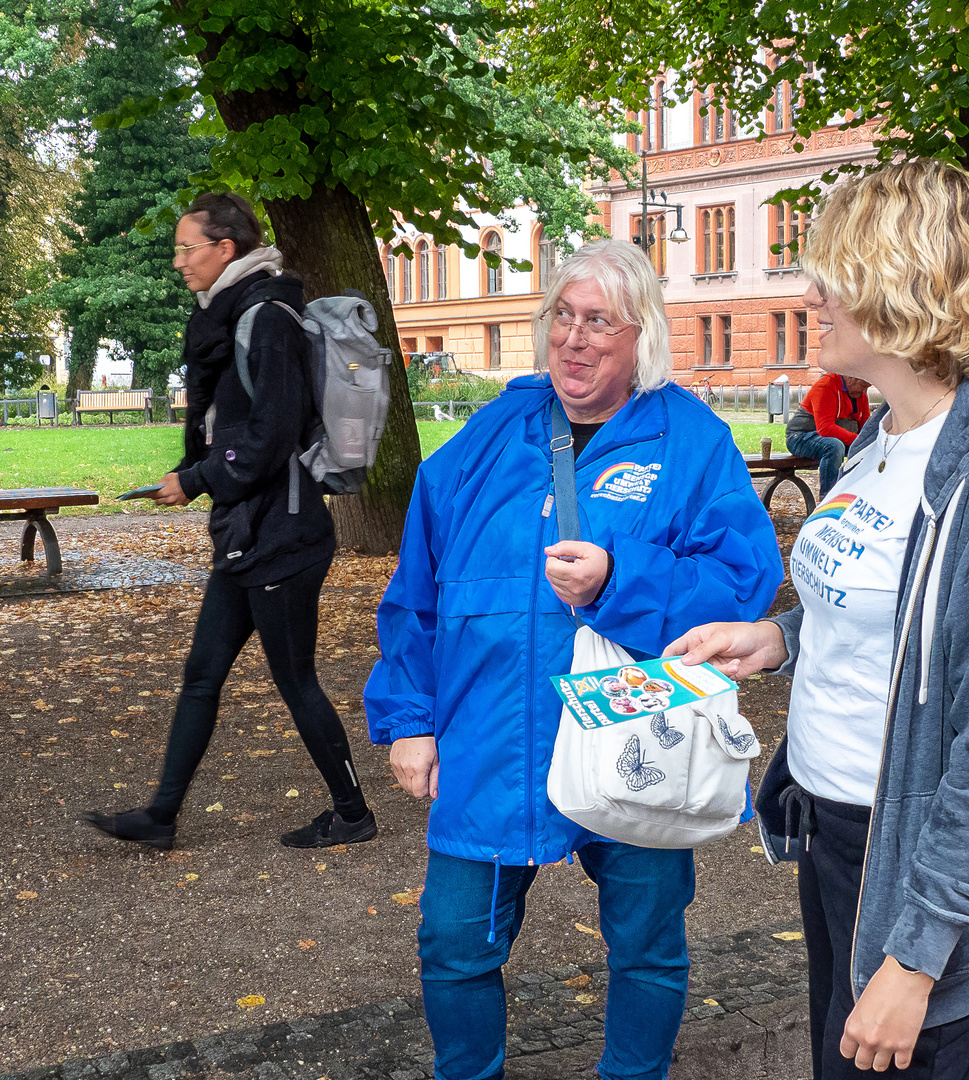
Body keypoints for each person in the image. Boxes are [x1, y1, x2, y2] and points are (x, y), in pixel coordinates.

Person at [667, 161, 969, 1080]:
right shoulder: (874, 442)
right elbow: (883, 614)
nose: (810, 292)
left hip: (915, 871)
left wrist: (915, 958)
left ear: (905, 286)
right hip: (835, 832)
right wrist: (778, 638)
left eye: (833, 272)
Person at [366, 240, 783, 1080]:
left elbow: (743, 583)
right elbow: (417, 587)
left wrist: (621, 577)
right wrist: (410, 720)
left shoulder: (691, 442)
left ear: (640, 338)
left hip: (635, 728)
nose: (575, 337)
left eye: (599, 321)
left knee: (647, 943)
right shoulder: (487, 438)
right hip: (492, 733)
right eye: (563, 315)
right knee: (452, 943)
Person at [84, 193, 374, 851]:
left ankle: (353, 812)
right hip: (247, 533)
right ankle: (161, 816)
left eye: (189, 248)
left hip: (285, 535)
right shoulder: (230, 316)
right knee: (202, 674)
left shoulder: (267, 317)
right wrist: (200, 478)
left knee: (295, 679)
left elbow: (270, 435)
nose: (180, 261)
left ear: (227, 248)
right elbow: (236, 428)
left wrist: (193, 479)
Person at [787, 371, 872, 496]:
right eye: (863, 386)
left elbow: (866, 427)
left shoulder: (860, 395)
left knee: (869, 449)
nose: (865, 391)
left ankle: (861, 495)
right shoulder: (825, 386)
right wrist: (858, 440)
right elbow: (825, 428)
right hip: (799, 436)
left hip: (829, 437)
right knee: (834, 446)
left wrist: (868, 443)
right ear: (851, 378)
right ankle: (828, 496)